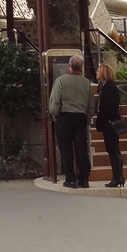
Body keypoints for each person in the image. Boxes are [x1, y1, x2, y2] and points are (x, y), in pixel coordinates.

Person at [49, 54, 95, 188]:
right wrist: (87, 117)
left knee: (66, 149)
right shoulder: (86, 82)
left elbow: (55, 102)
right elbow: (90, 104)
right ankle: (84, 179)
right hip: (80, 117)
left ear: (69, 65)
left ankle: (70, 179)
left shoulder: (61, 81)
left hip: (64, 117)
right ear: (81, 67)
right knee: (81, 149)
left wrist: (54, 115)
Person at [95, 63, 125, 188]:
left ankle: (117, 177)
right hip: (108, 123)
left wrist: (102, 116)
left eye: (98, 70)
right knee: (113, 150)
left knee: (113, 150)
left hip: (110, 123)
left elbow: (112, 106)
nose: (96, 72)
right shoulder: (104, 87)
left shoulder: (109, 87)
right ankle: (118, 176)